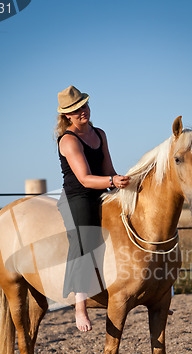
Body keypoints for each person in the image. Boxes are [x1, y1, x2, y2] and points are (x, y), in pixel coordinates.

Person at [55, 85, 130, 332]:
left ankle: (148, 291)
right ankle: (80, 306)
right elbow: (86, 179)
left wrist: (122, 184)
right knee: (85, 240)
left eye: (84, 106)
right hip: (79, 197)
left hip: (101, 190)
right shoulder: (68, 140)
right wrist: (111, 182)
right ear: (66, 116)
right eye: (75, 110)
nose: (82, 112)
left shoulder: (100, 133)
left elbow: (108, 168)